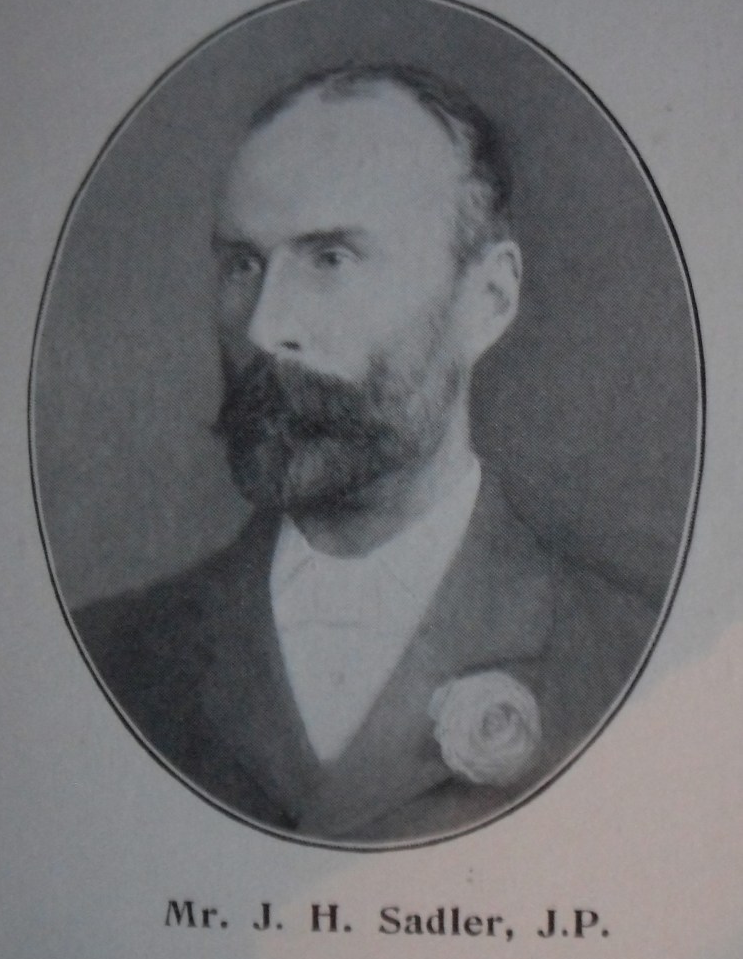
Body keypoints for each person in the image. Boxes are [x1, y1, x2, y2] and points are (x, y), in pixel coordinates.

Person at [75, 64, 656, 844]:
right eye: (243, 265)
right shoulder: (111, 655)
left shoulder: (629, 656)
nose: (264, 329)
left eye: (331, 260)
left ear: (488, 299)